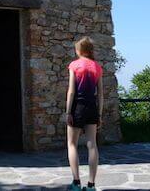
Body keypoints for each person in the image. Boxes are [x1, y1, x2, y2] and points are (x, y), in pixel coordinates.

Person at [66, 36, 104, 191]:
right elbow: (101, 93)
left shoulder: (74, 65)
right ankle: (91, 185)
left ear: (79, 50)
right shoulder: (97, 67)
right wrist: (99, 115)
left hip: (78, 107)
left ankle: (76, 183)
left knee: (72, 144)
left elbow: (71, 91)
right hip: (92, 107)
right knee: (92, 145)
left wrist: (68, 111)